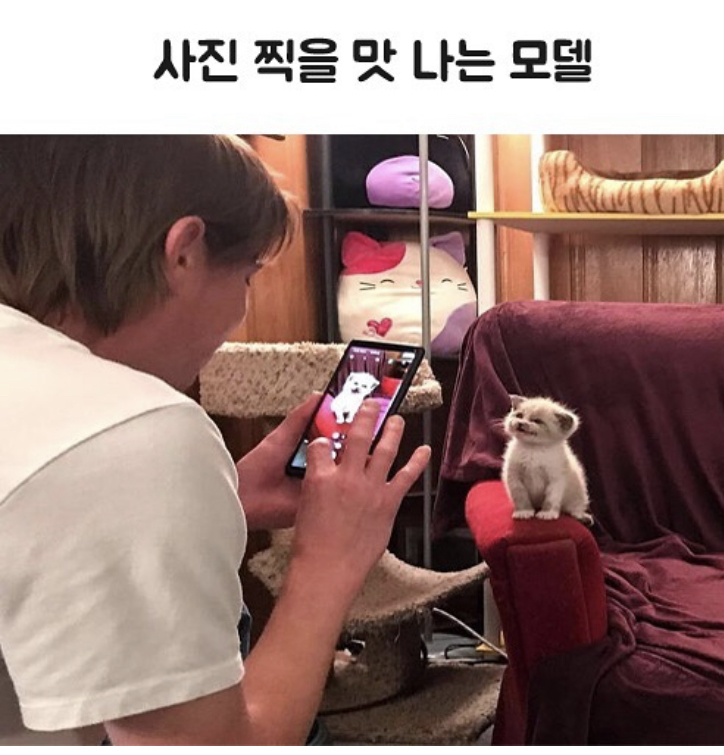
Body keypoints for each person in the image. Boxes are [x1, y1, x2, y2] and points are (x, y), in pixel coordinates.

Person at [0, 136, 431, 745]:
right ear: (184, 251)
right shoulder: (129, 431)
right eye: (249, 274)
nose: (242, 311)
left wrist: (228, 501)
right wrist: (326, 564)